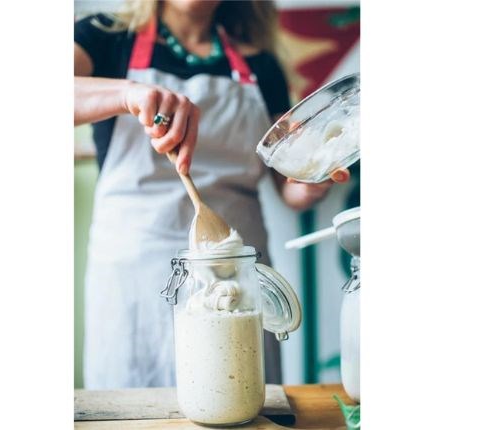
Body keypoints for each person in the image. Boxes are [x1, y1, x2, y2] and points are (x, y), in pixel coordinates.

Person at [74, 0, 349, 389]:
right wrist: (127, 93)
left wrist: (308, 180)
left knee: (240, 397)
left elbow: (286, 188)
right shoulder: (104, 36)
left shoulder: (260, 65)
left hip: (237, 272)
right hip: (135, 276)